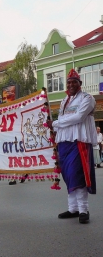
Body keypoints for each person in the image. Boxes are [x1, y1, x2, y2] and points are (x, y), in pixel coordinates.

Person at [52, 68, 96, 224]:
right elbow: (61, 122)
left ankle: (83, 210)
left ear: (80, 84)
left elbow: (78, 117)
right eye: (69, 82)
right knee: (68, 175)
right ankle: (73, 209)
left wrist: (56, 123)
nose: (71, 85)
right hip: (64, 143)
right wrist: (53, 132)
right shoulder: (64, 101)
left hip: (79, 142)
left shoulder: (87, 98)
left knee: (78, 174)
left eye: (74, 82)